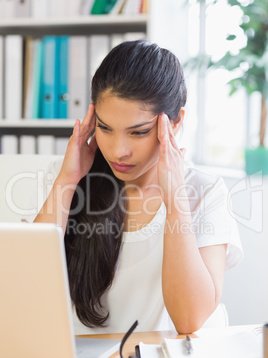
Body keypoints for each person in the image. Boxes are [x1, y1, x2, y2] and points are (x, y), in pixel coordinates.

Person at [34, 40, 243, 335]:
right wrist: (67, 181)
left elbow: (189, 319)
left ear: (175, 122)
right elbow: (30, 289)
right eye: (105, 128)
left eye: (139, 132)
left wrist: (175, 200)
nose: (118, 151)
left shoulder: (205, 192)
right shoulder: (68, 177)